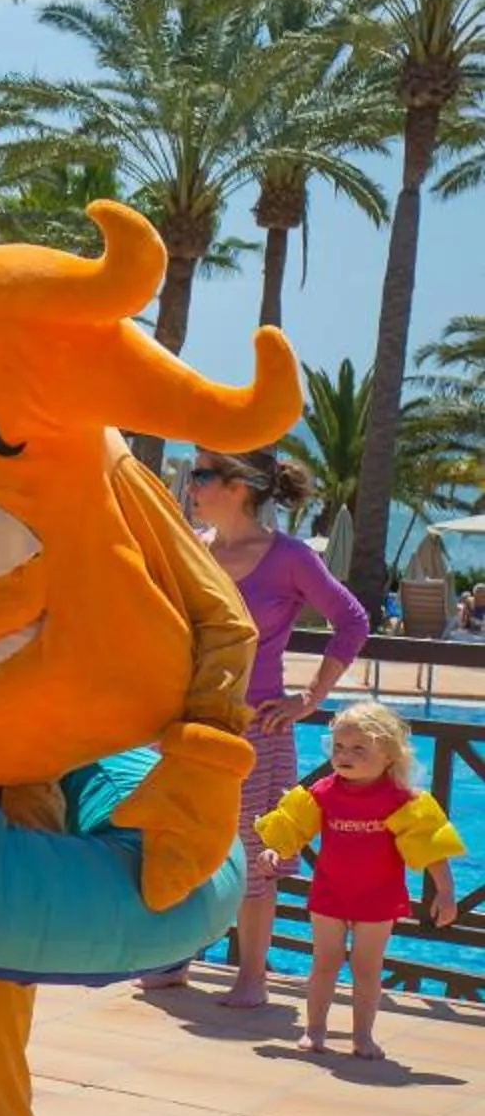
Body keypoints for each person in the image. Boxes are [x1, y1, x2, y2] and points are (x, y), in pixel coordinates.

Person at [174, 446, 367, 1009]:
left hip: (257, 727)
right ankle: (175, 961)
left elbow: (351, 620)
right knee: (186, 843)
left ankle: (252, 978)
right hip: (194, 724)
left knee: (255, 855)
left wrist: (310, 697)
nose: (192, 487)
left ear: (239, 486)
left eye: (202, 476)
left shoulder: (288, 558)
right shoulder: (195, 550)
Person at [256, 701, 465, 1060]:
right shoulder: (323, 791)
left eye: (357, 748)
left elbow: (431, 845)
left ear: (388, 756)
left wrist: (445, 892)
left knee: (366, 968)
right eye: (338, 747)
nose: (344, 755)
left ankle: (362, 1036)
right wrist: (274, 851)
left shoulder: (400, 800)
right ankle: (315, 1029)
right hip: (330, 892)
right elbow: (292, 828)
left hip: (377, 898)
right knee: (324, 962)